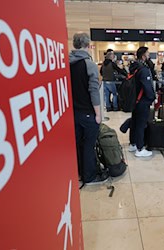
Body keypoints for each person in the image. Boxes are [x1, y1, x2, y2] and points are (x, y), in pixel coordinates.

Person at [69, 32, 107, 184]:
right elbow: (93, 91)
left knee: (78, 144)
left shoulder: (66, 62)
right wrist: (98, 114)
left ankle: (79, 172)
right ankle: (89, 176)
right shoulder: (89, 64)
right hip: (87, 112)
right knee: (89, 145)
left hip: (72, 112)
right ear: (87, 45)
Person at [128, 47, 156, 157]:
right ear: (144, 56)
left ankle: (133, 144)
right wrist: (152, 97)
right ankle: (140, 149)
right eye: (148, 54)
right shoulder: (143, 69)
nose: (149, 56)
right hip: (142, 101)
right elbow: (147, 87)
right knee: (141, 124)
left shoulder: (133, 67)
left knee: (134, 122)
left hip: (134, 100)